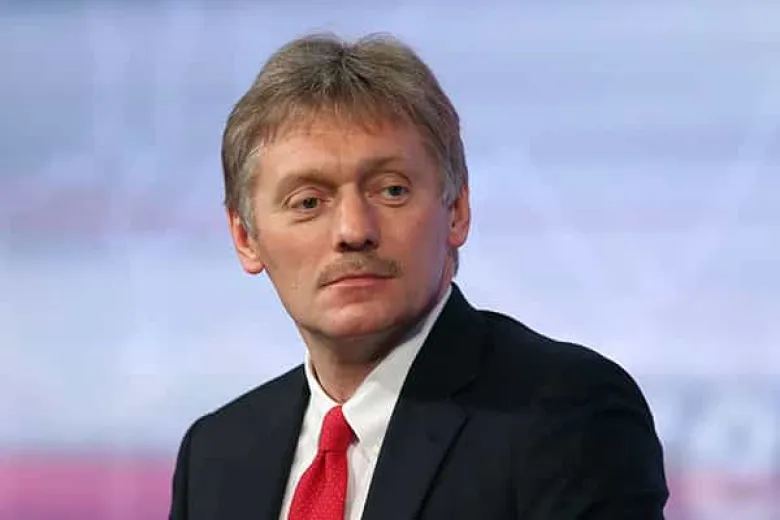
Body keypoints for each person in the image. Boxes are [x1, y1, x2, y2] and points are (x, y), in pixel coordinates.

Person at [168, 32, 668, 520]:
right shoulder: (215, 456)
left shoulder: (565, 414)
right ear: (245, 237)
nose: (353, 231)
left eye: (392, 190)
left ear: (457, 211)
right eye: (308, 202)